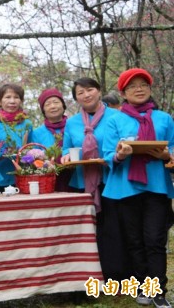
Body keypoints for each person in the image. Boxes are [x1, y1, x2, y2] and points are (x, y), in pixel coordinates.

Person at [102, 69, 174, 307]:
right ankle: (144, 286)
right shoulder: (114, 119)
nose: (139, 89)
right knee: (134, 240)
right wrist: (121, 155)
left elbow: (172, 150)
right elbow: (107, 155)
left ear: (150, 89)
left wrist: (166, 155)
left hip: (157, 188)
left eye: (144, 84)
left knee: (154, 239)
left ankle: (159, 291)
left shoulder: (164, 118)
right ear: (123, 92)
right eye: (132, 86)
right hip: (125, 188)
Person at [60, 77, 129, 284]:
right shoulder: (72, 122)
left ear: (99, 91)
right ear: (76, 99)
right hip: (83, 182)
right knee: (90, 230)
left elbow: (127, 143)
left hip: (112, 180)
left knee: (114, 229)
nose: (86, 95)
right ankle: (94, 275)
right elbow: (66, 148)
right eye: (80, 93)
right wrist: (65, 156)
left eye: (90, 90)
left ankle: (117, 276)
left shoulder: (117, 116)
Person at [29, 88, 72, 191]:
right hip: (48, 179)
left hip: (75, 177)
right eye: (47, 104)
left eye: (56, 102)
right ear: (43, 110)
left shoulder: (74, 126)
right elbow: (33, 157)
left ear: (63, 105)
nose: (53, 106)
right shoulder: (36, 133)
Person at [0, 83, 33, 187]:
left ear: (21, 101)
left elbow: (31, 147)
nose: (12, 101)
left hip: (22, 176)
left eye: (16, 97)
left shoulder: (27, 123)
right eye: (8, 97)